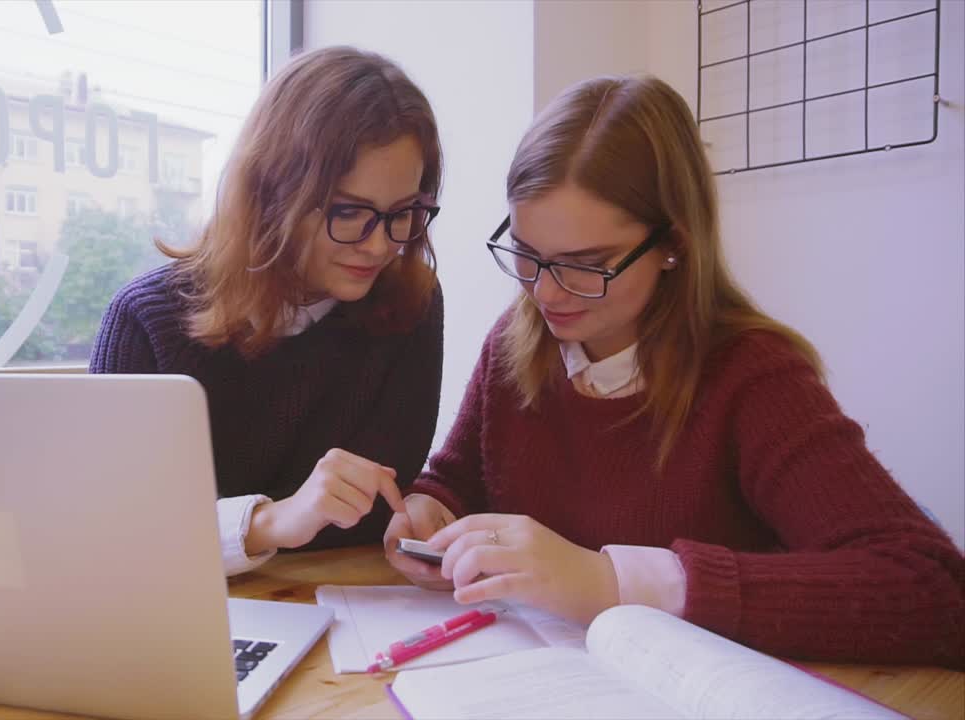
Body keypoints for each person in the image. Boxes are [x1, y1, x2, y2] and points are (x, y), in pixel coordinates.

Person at [385, 74, 964, 667]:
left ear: (673, 245)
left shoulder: (754, 377)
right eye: (529, 255)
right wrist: (433, 512)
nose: (546, 293)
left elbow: (935, 590)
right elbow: (458, 478)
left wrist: (619, 582)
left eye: (587, 264)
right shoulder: (516, 344)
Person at [92, 47, 445, 576]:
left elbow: (372, 517)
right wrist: (268, 522)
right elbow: (109, 535)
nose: (378, 246)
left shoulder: (410, 306)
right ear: (272, 192)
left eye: (402, 214)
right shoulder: (146, 320)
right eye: (349, 212)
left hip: (351, 605)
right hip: (185, 617)